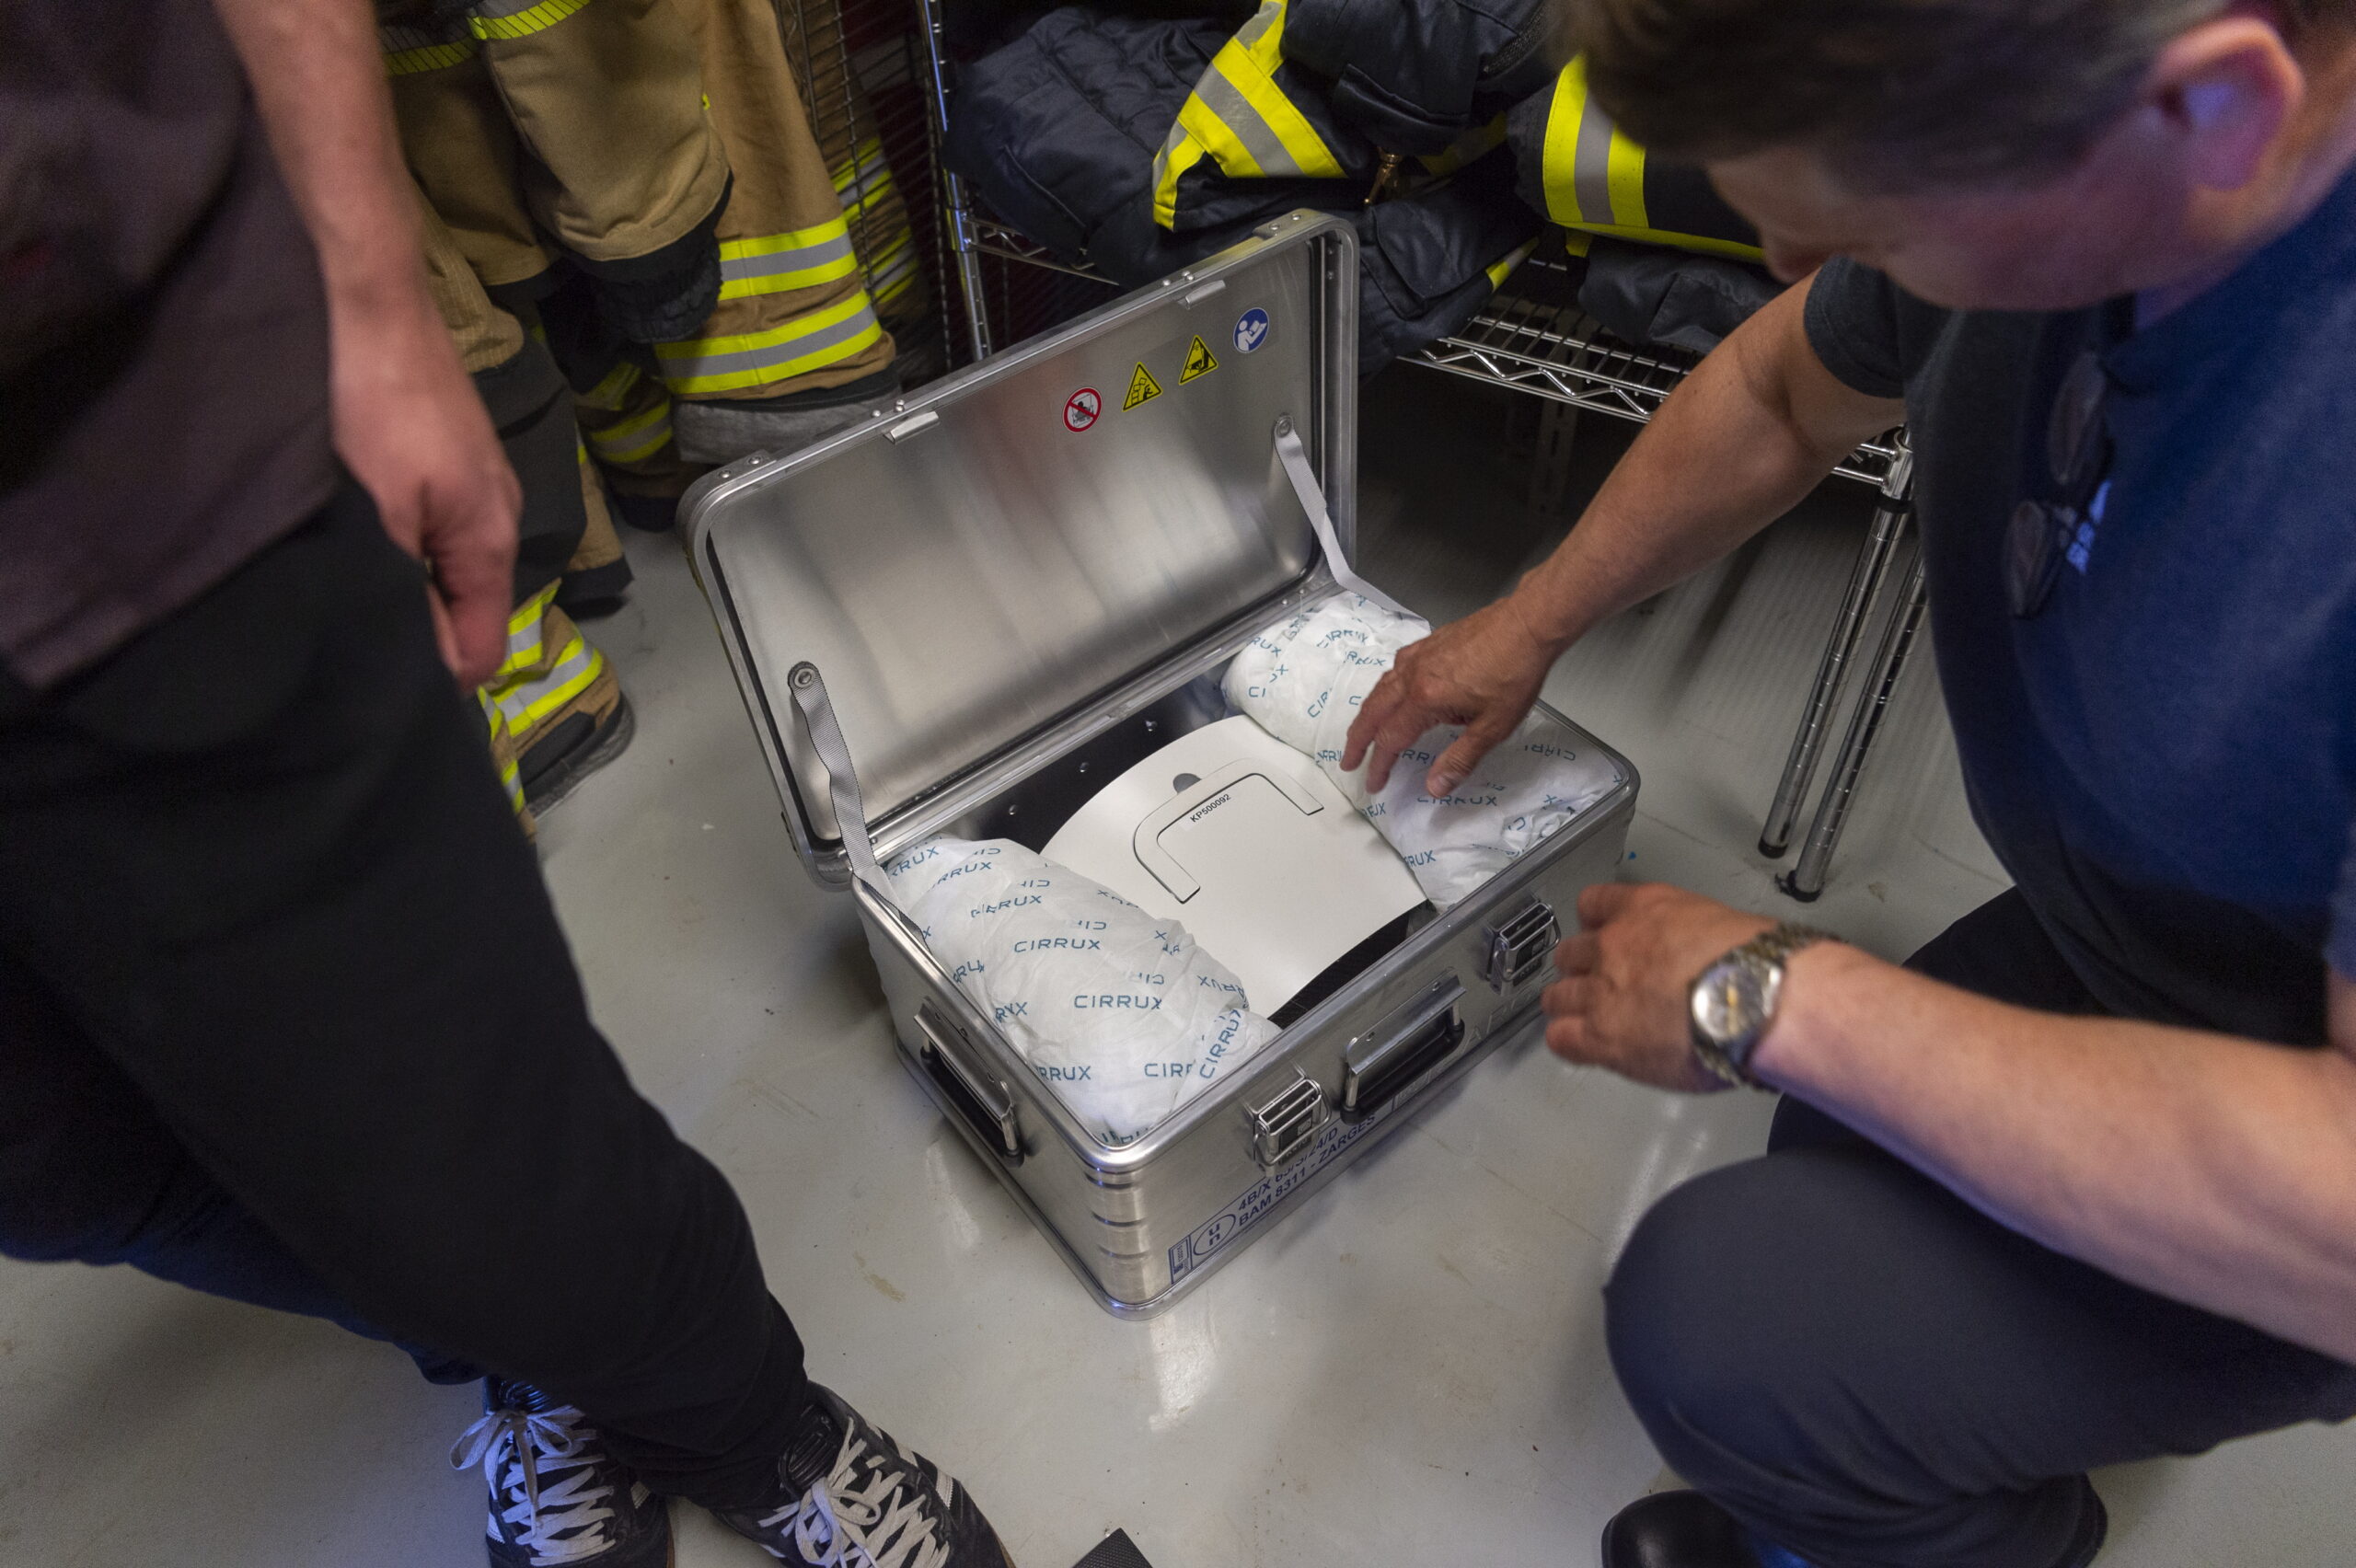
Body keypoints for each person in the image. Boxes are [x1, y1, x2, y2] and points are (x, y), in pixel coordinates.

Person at [0, 3, 1015, 1565]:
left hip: (135, 468)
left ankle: (750, 1425)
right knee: (63, 1174)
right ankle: (539, 1357)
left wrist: (372, 303)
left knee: (466, 1151)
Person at [1343, 2, 2356, 1565]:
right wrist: (1530, 619)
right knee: (1834, 1159)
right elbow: (1779, 393)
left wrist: (1770, 997)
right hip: (2148, 930)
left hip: (2311, 1135)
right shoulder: (2066, 143)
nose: (1785, 263)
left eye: (1862, 223)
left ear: (2206, 112)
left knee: (1725, 1323)